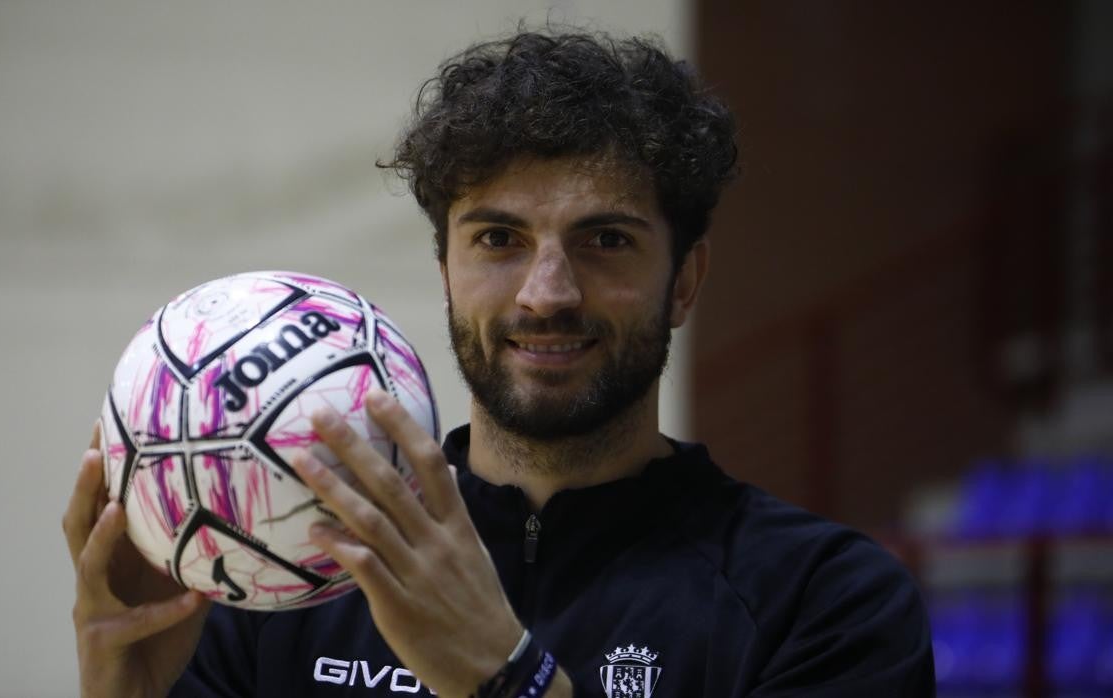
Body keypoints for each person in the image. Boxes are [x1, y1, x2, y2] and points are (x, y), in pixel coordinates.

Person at [63, 30, 935, 697]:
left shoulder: (822, 602)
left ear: (684, 280)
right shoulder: (291, 567)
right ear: (445, 268)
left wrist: (505, 677)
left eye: (605, 239)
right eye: (499, 239)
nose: (546, 293)